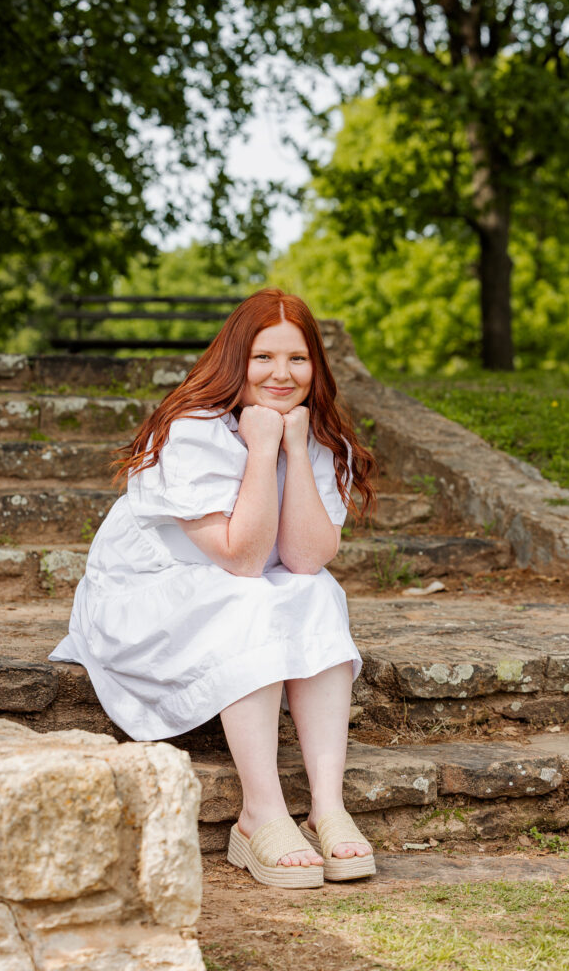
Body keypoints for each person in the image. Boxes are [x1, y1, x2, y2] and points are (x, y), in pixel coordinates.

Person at [48, 287, 378, 888]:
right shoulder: (192, 430)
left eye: (298, 359)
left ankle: (327, 807)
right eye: (263, 357)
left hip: (234, 588)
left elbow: (305, 560)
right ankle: (260, 816)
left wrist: (293, 446)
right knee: (246, 595)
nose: (282, 374)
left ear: (317, 366)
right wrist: (262, 448)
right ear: (235, 360)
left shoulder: (318, 436)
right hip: (149, 596)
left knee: (319, 591)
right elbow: (243, 558)